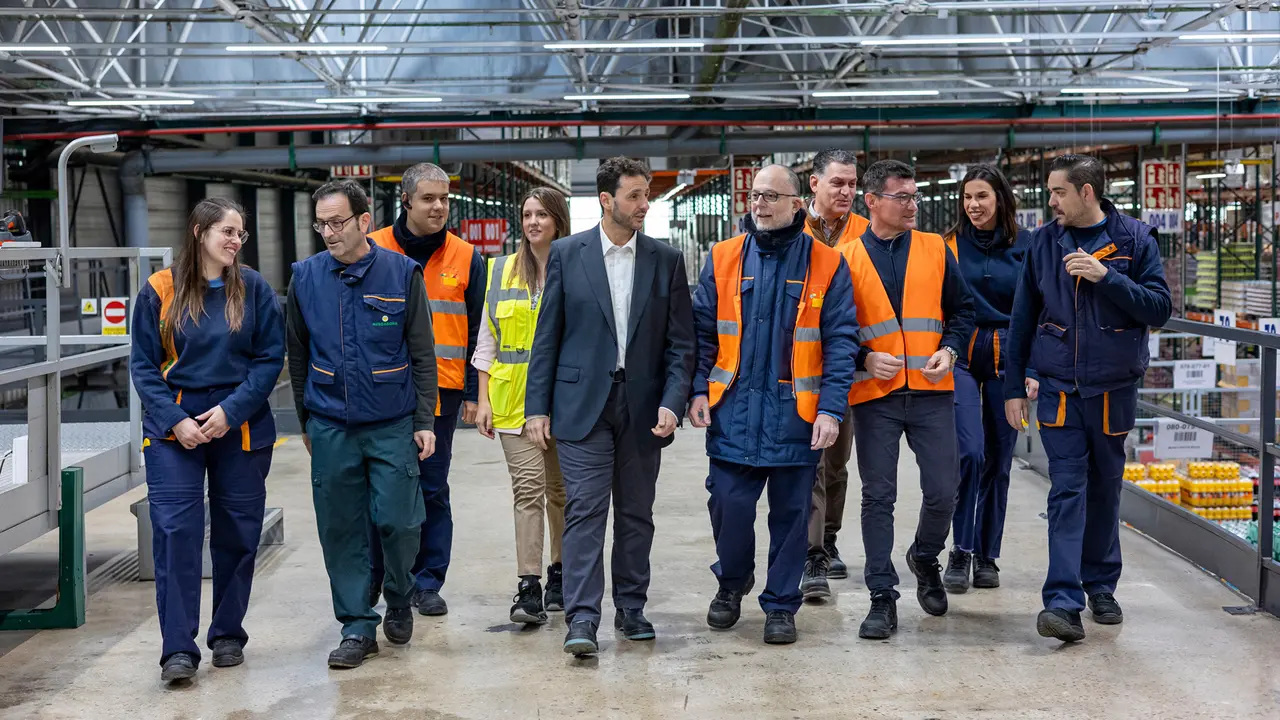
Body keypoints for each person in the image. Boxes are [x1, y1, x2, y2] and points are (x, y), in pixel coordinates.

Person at [525, 157, 696, 656]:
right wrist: (538, 408)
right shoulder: (566, 254)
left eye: (647, 195)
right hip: (581, 404)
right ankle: (581, 618)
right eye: (635, 195)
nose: (645, 204)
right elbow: (547, 338)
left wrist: (673, 400)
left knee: (637, 513)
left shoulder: (666, 260)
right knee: (585, 511)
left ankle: (631, 606)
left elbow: (680, 345)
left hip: (644, 408)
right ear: (606, 200)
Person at [1004, 154, 1171, 643]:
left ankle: (1101, 585)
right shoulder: (1043, 243)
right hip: (1059, 390)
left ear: (1087, 193)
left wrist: (1107, 277)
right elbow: (1021, 321)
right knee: (1067, 491)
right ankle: (1062, 601)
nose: (1050, 201)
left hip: (1113, 390)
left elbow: (1159, 308)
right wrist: (1014, 388)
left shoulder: (1135, 240)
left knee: (1104, 490)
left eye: (1058, 192)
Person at [688, 165, 857, 645]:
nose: (759, 204)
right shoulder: (723, 257)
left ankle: (781, 605)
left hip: (796, 415)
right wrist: (698, 390)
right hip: (733, 410)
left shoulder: (827, 264)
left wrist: (830, 409)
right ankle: (732, 580)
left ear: (796, 205)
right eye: (756, 195)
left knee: (791, 518)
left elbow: (841, 342)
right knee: (729, 506)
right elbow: (701, 331)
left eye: (771, 196)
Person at [130, 198, 284, 685]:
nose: (236, 240)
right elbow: (142, 366)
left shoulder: (253, 288)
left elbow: (268, 359)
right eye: (227, 231)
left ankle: (227, 634)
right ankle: (177, 648)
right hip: (174, 429)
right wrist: (176, 420)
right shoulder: (160, 289)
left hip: (237, 424)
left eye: (241, 233)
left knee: (238, 532)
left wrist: (230, 411)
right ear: (199, 232)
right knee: (176, 532)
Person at [287, 179, 439, 669]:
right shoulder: (305, 279)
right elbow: (297, 354)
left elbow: (422, 353)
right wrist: (306, 420)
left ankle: (398, 593)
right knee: (341, 529)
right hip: (331, 425)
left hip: (392, 423)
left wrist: (424, 419)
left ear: (364, 222)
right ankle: (356, 626)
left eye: (337, 223)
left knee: (400, 522)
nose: (328, 233)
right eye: (321, 224)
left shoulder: (400, 274)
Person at [838, 159, 975, 640]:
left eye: (915, 196)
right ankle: (881, 596)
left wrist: (951, 348)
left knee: (944, 489)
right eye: (903, 197)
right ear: (872, 201)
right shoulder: (845, 258)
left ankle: (924, 555)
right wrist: (863, 357)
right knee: (878, 496)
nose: (913, 205)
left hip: (933, 391)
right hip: (875, 395)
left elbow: (963, 311)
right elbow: (831, 330)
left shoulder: (936, 249)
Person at [368, 162, 485, 617]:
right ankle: (380, 576)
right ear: (407, 202)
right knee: (381, 489)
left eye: (444, 199)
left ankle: (427, 580)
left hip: (442, 393)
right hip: (381, 394)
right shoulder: (373, 248)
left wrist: (476, 392)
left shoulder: (466, 256)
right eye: (428, 199)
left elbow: (478, 331)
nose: (439, 207)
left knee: (432, 487)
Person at [473, 187, 570, 625]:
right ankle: (528, 586)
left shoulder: (576, 265)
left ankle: (561, 574)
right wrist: (482, 400)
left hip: (566, 404)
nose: (533, 222)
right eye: (527, 214)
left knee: (562, 495)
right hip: (512, 402)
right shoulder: (500, 270)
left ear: (557, 220)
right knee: (528, 491)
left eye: (541, 215)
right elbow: (487, 340)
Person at [940, 165, 1036, 594]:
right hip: (960, 352)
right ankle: (959, 548)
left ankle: (986, 555)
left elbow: (1037, 310)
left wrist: (1030, 370)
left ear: (1000, 198)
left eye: (981, 196)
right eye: (967, 197)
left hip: (1006, 357)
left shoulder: (1025, 248)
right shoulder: (948, 245)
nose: (973, 205)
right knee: (970, 453)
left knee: (999, 461)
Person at [800, 148, 870, 600]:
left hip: (850, 366)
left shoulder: (868, 231)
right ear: (814, 184)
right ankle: (812, 556)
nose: (846, 192)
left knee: (837, 463)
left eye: (852, 184)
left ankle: (828, 540)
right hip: (800, 368)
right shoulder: (789, 230)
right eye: (837, 183)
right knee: (810, 465)